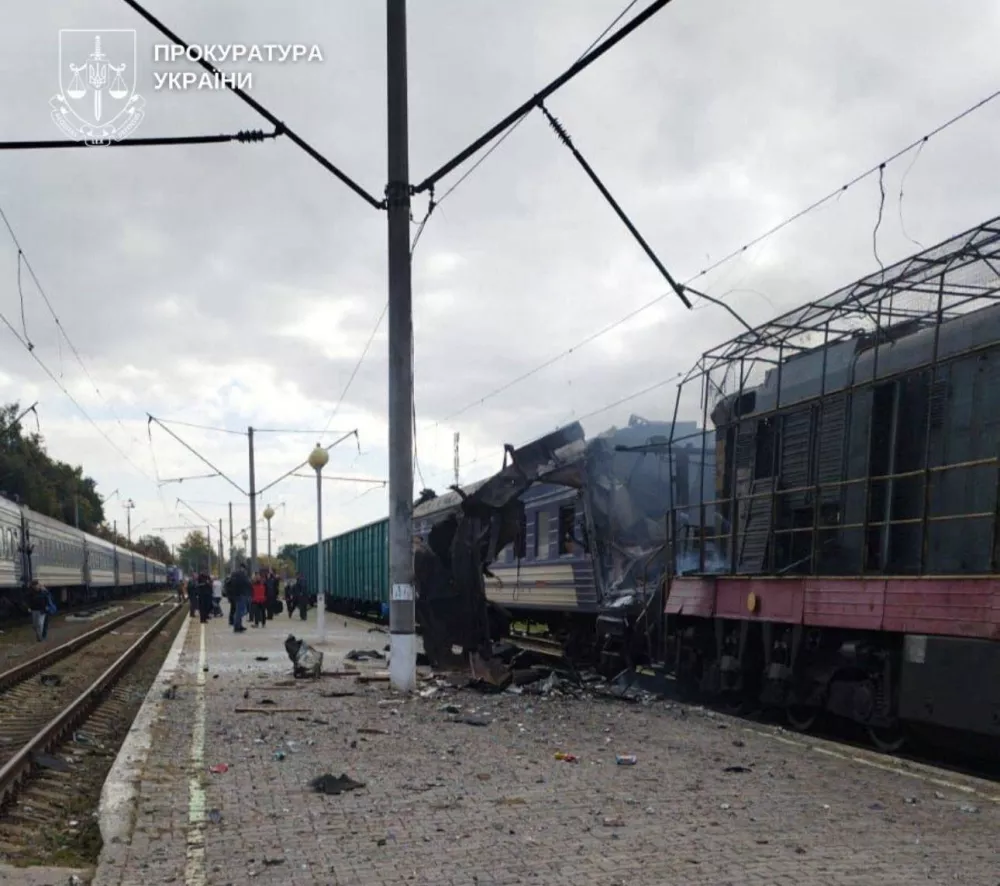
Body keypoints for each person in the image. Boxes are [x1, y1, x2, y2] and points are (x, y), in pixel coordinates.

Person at [228, 564, 252, 633]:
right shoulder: (241, 575)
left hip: (237, 595)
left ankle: (239, 625)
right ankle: (237, 626)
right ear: (243, 568)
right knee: (241, 611)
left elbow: (230, 584)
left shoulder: (234, 574)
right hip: (241, 594)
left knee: (239, 610)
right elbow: (247, 583)